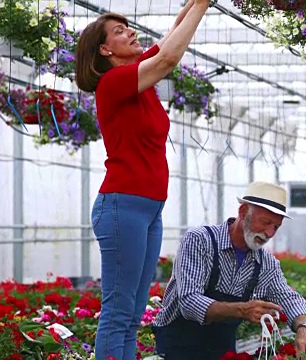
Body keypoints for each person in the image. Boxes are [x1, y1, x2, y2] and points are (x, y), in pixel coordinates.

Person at [74, 0, 210, 359]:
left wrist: (196, 5)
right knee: (119, 312)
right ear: (105, 50)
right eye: (120, 31)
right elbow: (168, 58)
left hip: (148, 210)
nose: (131, 31)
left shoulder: (138, 78)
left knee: (133, 313)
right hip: (123, 206)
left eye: (128, 26)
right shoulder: (114, 82)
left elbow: (167, 43)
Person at [152, 182, 306, 359]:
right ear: (243, 212)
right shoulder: (200, 240)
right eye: (266, 222)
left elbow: (289, 298)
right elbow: (189, 302)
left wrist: (304, 329)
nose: (270, 233)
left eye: (276, 227)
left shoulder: (266, 263)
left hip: (221, 351)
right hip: (176, 348)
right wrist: (242, 310)